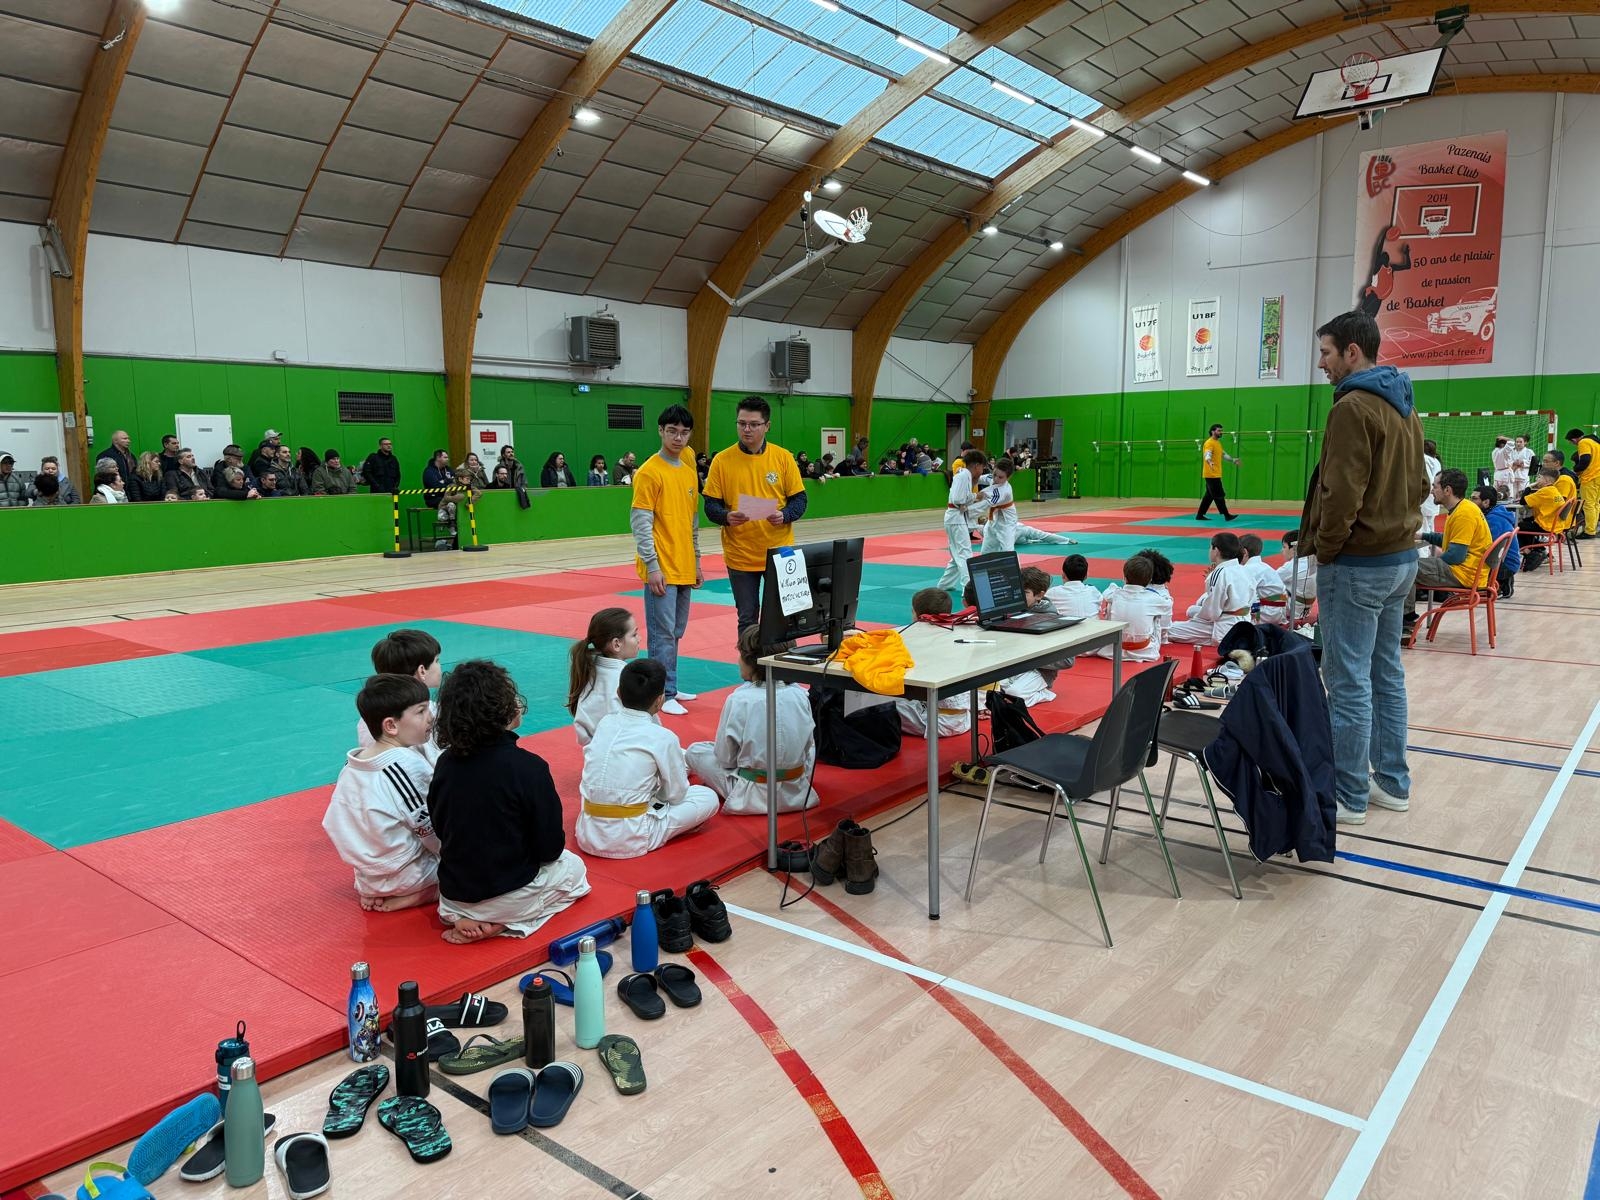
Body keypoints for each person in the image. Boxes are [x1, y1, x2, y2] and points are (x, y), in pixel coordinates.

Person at [1303, 309, 1423, 825]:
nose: (1322, 364)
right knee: (1385, 674)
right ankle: (1392, 783)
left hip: (1359, 563)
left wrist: (1328, 550)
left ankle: (1349, 795)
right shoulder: (1405, 405)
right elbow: (1421, 484)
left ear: (1352, 352)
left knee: (1348, 680)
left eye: (1326, 353)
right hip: (1401, 560)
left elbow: (1340, 493)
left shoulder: (1353, 407)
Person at [427, 660, 590, 943]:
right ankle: (504, 923)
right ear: (501, 710)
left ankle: (465, 916)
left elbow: (440, 828)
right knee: (575, 870)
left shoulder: (445, 763)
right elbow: (551, 849)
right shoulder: (529, 767)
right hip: (509, 895)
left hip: (453, 896)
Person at [574, 659, 719, 859]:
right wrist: (657, 795)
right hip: (632, 836)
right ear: (660, 700)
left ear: (618, 693)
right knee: (707, 797)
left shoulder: (605, 723)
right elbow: (676, 795)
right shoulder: (664, 737)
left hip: (588, 831)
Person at [323, 673, 440, 913]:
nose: (430, 717)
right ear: (391, 725)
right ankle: (426, 893)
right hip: (409, 874)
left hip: (369, 877)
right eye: (421, 711)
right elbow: (430, 829)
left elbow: (335, 824)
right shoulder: (406, 766)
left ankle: (382, 889)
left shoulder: (353, 765)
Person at [685, 626, 819, 815]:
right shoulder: (801, 694)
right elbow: (808, 748)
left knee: (696, 751)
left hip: (749, 792)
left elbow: (725, 759)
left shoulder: (739, 699)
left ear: (751, 661)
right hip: (797, 789)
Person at [702, 396, 807, 632]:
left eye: (753, 424)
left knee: (785, 617)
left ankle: (781, 657)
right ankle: (749, 658)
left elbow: (800, 500)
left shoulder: (783, 457)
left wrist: (785, 515)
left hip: (781, 553)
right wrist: (726, 517)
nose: (746, 429)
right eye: (741, 423)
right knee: (747, 619)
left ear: (767, 426)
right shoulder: (721, 461)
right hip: (740, 555)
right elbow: (710, 505)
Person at [631, 404, 702, 717]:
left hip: (684, 564)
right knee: (662, 634)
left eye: (684, 432)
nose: (678, 437)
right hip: (661, 566)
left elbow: (692, 522)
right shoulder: (649, 471)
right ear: (660, 431)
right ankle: (661, 694)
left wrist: (696, 560)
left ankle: (670, 684)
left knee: (675, 632)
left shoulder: (687, 471)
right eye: (672, 431)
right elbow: (641, 522)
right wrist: (652, 565)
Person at [896, 588, 977, 737]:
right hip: (965, 718)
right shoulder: (962, 633)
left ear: (916, 614)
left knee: (875, 702)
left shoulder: (911, 638)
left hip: (933, 720)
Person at [1410, 467, 1492, 613]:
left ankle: (1406, 618)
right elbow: (1452, 540)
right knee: (1408, 565)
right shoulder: (1463, 507)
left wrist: (1433, 560)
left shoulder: (1464, 514)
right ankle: (1406, 616)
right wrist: (1422, 536)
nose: (1432, 491)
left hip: (1464, 574)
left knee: (1405, 568)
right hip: (1469, 571)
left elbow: (1455, 557)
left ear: (1447, 490)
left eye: (1435, 486)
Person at [356, 628, 442, 765]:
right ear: (422, 671)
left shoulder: (369, 715)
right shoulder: (431, 713)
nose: (439, 666)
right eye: (437, 660)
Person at [568, 607, 640, 747]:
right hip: (626, 751)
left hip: (594, 753)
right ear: (616, 644)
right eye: (634, 635)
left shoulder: (589, 670)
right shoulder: (627, 679)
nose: (639, 639)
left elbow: (583, 735)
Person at [1167, 531, 1254, 645]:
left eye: (1210, 548)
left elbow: (1212, 612)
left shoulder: (1220, 572)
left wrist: (1196, 618)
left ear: (1216, 550)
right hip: (1244, 623)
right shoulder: (1245, 570)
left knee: (1169, 630)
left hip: (1223, 627)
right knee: (1193, 611)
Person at [1094, 554, 1170, 664]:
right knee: (1156, 616)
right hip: (1145, 650)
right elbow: (1168, 605)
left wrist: (1115, 588)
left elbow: (1106, 594)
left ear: (1124, 577)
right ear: (1150, 580)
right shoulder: (1154, 598)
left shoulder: (1116, 594)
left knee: (1110, 604)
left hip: (1115, 649)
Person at [938, 449, 988, 591]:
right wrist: (975, 496)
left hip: (955, 517)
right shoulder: (963, 476)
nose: (982, 471)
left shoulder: (965, 475)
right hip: (955, 517)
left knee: (957, 555)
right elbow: (958, 499)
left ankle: (944, 585)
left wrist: (969, 499)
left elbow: (959, 499)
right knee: (965, 553)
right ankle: (968, 588)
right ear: (977, 465)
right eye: (982, 467)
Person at [1472, 483, 1520, 598]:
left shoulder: (1493, 520)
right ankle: (1502, 583)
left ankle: (1500, 584)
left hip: (1504, 565)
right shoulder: (1497, 513)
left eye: (1474, 499)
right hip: (1507, 562)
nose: (1470, 501)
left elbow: (1486, 548)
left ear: (1486, 502)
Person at [1238, 533, 1290, 625]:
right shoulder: (1264, 566)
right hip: (1279, 611)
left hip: (1267, 614)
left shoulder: (1249, 569)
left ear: (1245, 552)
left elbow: (1244, 596)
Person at [1196, 423, 1239, 521]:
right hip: (1211, 474)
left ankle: (1200, 515)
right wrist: (1209, 461)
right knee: (1219, 495)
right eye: (1219, 430)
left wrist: (1233, 460)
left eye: (1221, 430)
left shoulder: (1217, 443)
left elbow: (1223, 455)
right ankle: (1227, 515)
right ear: (1213, 431)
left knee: (1209, 496)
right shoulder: (1209, 443)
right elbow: (1207, 454)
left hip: (1215, 474)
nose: (1221, 432)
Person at [1274, 530, 1318, 623]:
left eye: (1284, 547)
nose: (1281, 550)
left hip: (1292, 610)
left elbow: (1269, 580)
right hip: (1305, 610)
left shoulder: (1291, 566)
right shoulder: (1313, 561)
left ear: (1294, 548)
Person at [979, 457, 1018, 554]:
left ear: (1008, 477)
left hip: (1006, 522)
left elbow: (985, 503)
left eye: (1000, 477)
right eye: (995, 474)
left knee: (1008, 551)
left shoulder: (1005, 491)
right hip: (993, 519)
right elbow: (978, 478)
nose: (996, 479)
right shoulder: (991, 478)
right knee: (985, 552)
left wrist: (969, 504)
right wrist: (965, 475)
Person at [1565, 427, 1600, 537]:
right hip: (1598, 476)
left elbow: (1585, 460)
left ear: (1574, 439)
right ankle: (1593, 528)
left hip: (1590, 477)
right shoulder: (1595, 442)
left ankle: (1589, 531)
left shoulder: (1583, 442)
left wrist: (1575, 469)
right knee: (1595, 504)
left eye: (1571, 442)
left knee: (1588, 505)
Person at [1046, 554, 1101, 619]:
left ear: (1063, 575)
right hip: (1094, 624)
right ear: (1086, 576)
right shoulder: (1093, 591)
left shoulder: (1053, 592)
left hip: (1068, 625)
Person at [1418, 438, 1442, 555]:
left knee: (1422, 529)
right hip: (1433, 498)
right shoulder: (1436, 460)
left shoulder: (1423, 459)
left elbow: (1428, 480)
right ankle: (1430, 554)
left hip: (1426, 497)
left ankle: (1423, 557)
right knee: (1430, 528)